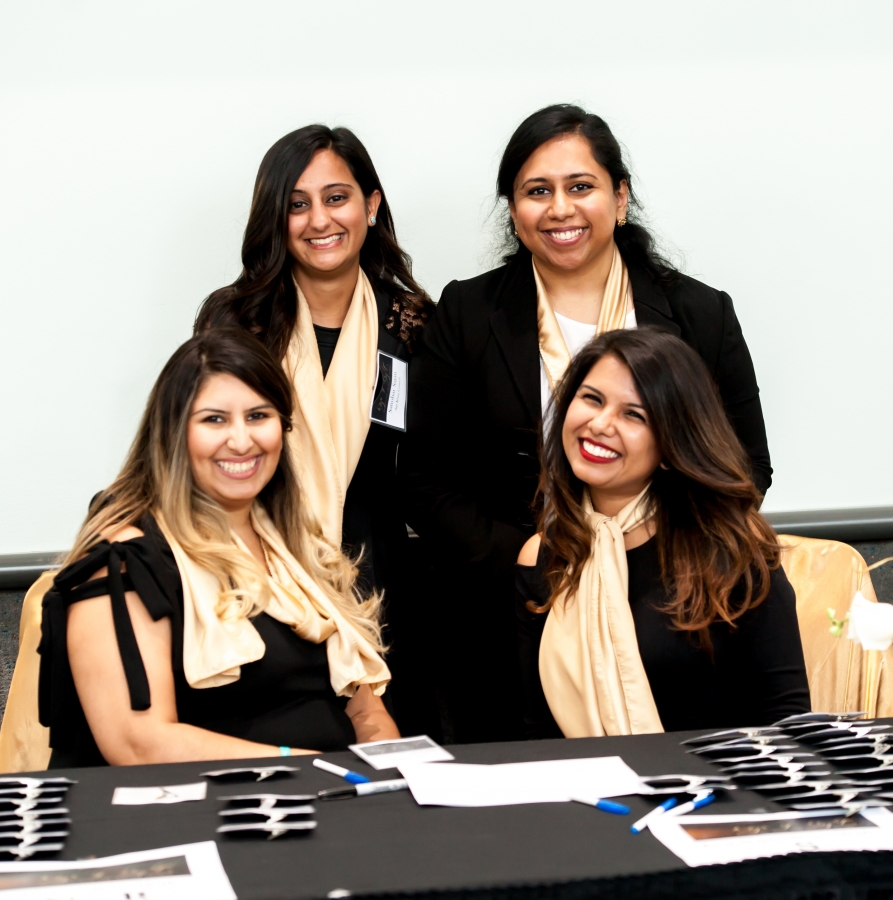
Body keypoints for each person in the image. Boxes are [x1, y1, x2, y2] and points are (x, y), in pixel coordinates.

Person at [403, 104, 772, 742]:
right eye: (536, 191)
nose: (560, 209)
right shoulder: (467, 312)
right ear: (513, 212)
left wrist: (654, 554)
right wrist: (526, 557)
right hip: (511, 609)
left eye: (581, 187)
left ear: (620, 197)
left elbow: (744, 468)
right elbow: (427, 486)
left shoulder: (697, 313)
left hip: (669, 609)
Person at [38, 328, 399, 767]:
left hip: (335, 800)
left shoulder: (300, 550)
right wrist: (307, 770)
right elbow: (138, 744)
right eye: (214, 419)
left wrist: (393, 781)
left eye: (258, 416)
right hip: (210, 813)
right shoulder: (127, 559)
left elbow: (364, 708)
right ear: (173, 433)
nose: (242, 440)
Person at [194, 125, 437, 735]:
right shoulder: (236, 317)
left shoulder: (413, 324)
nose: (318, 220)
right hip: (260, 575)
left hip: (384, 587)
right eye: (296, 204)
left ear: (371, 206)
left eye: (336, 197)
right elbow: (203, 446)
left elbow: (429, 468)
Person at [515, 329, 808, 738]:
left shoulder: (733, 552)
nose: (600, 424)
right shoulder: (543, 557)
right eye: (592, 399)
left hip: (721, 791)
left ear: (674, 443)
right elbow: (535, 734)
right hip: (589, 793)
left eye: (633, 415)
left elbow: (786, 721)